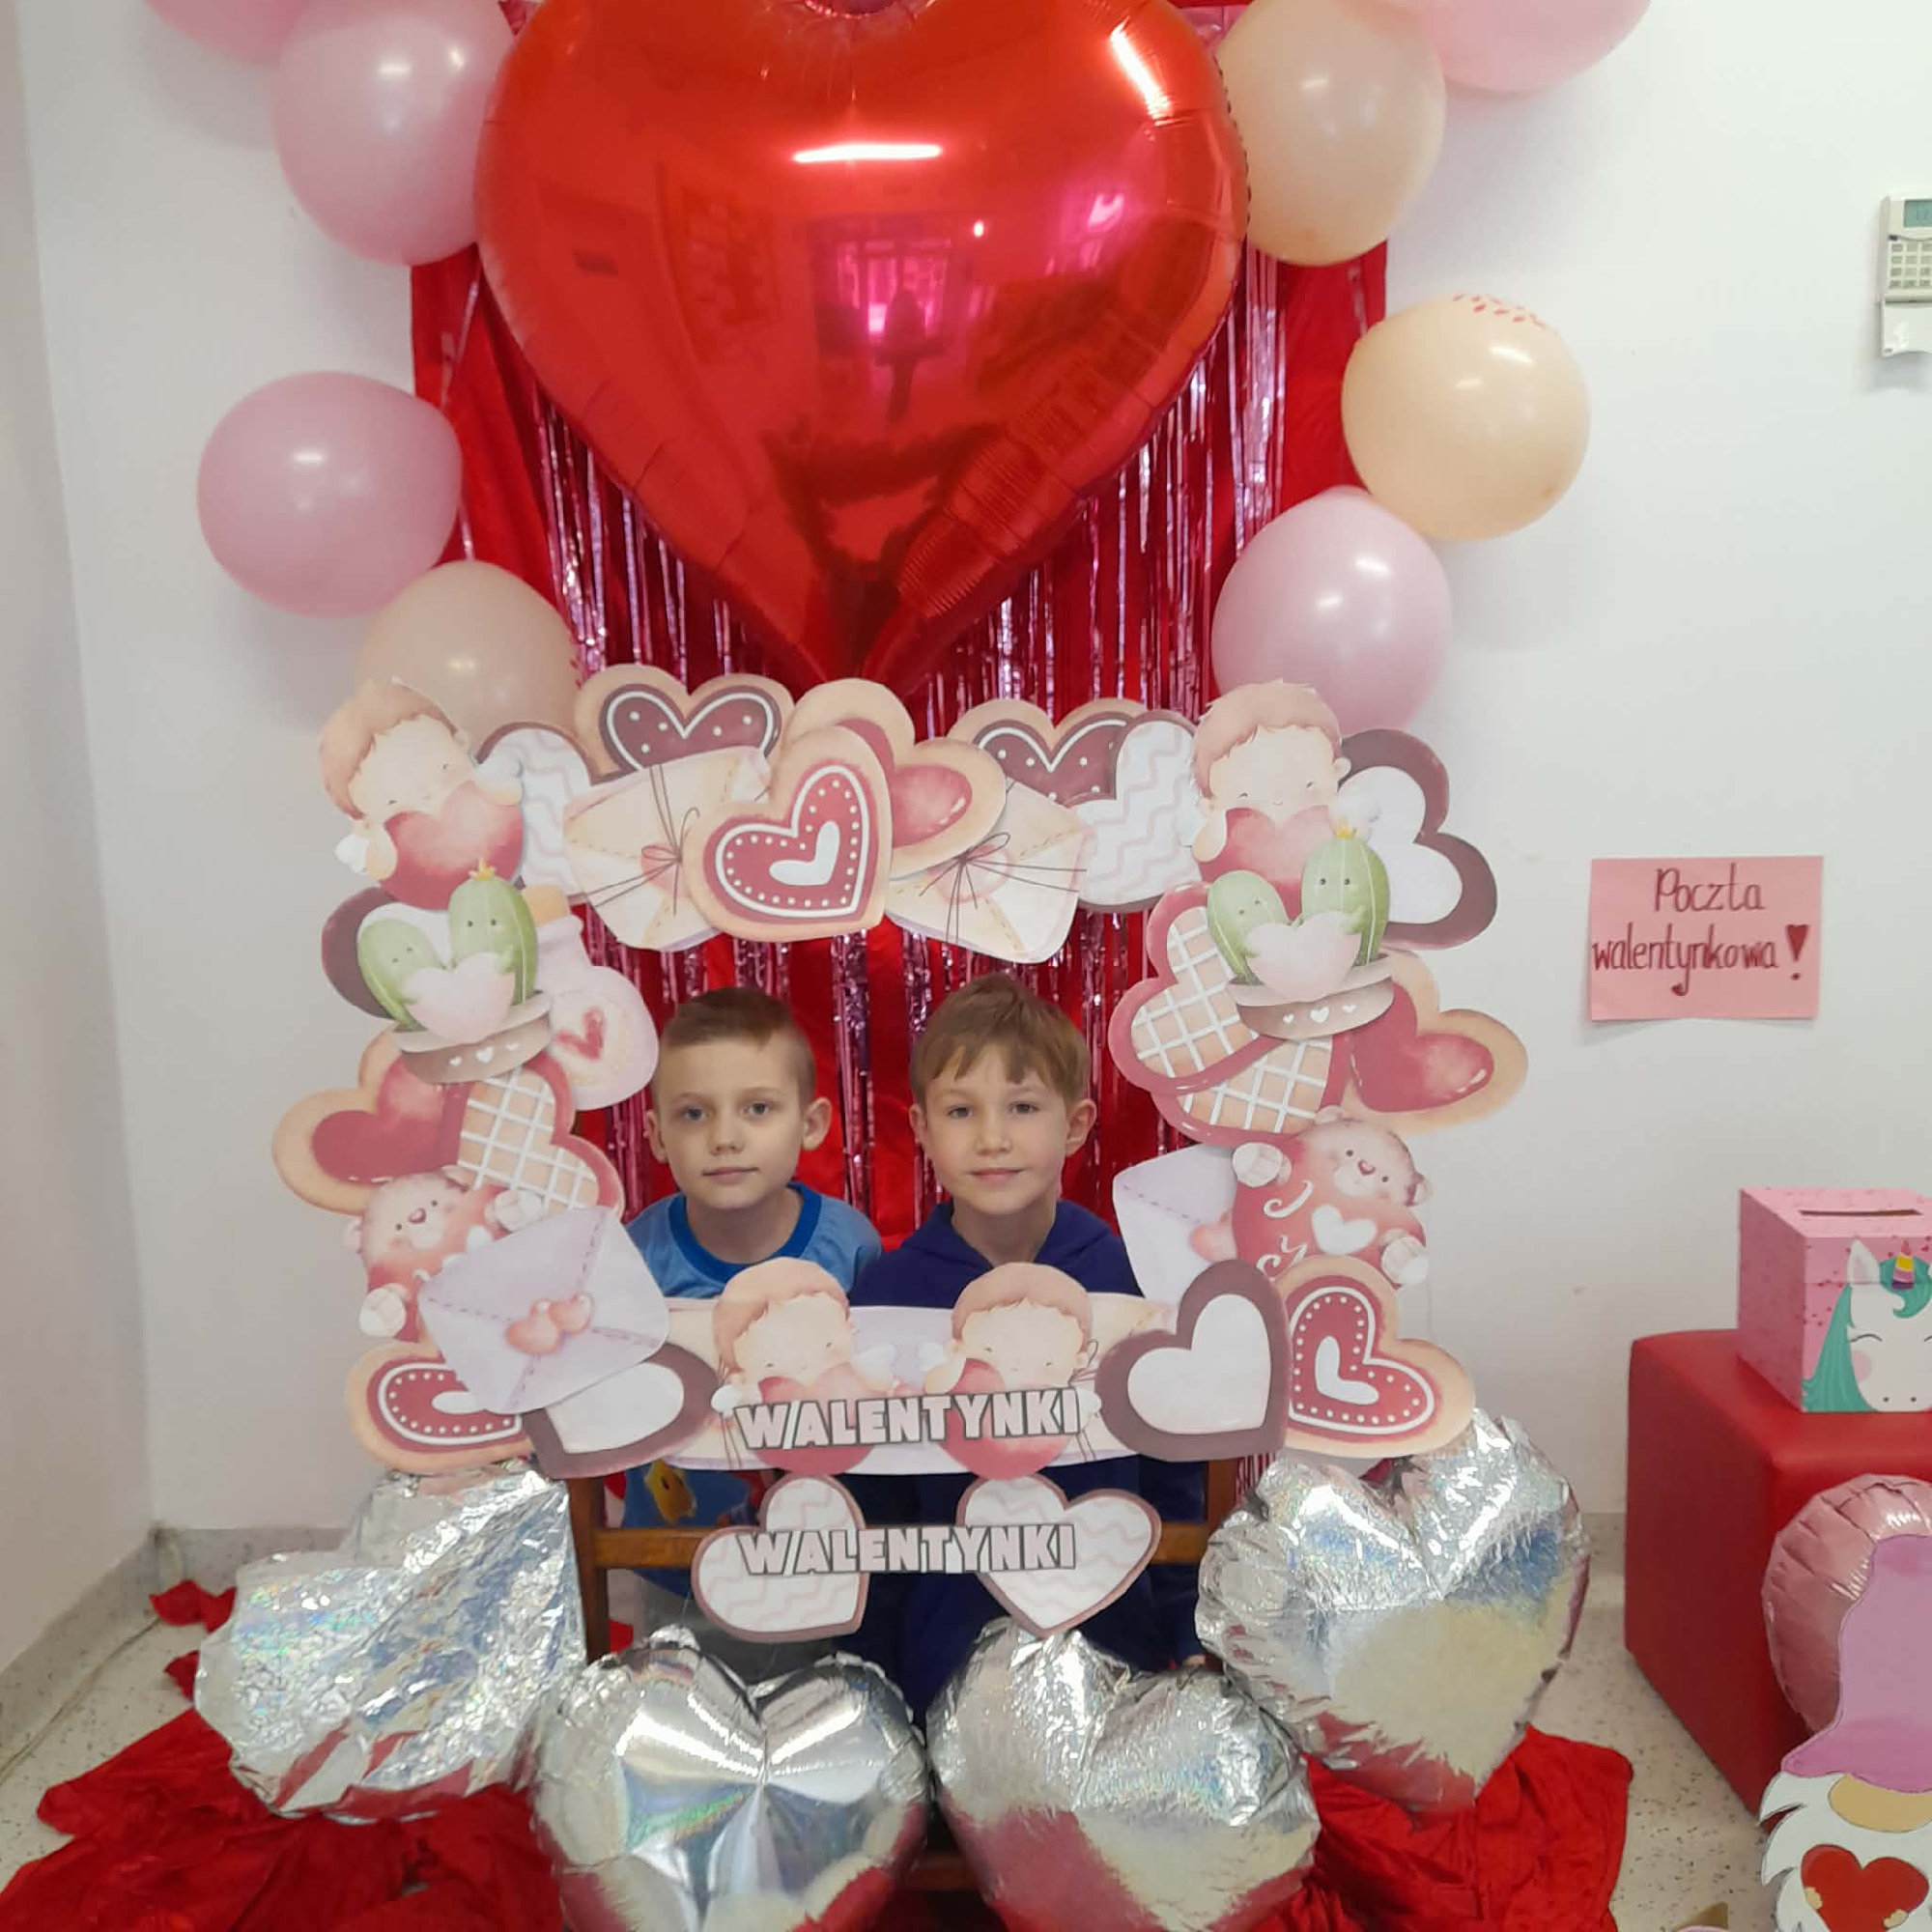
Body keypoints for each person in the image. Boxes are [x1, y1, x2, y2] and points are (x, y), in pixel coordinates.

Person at [846, 973, 1203, 1717]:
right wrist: (871, 1682)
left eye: (1022, 1106)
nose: (992, 1138)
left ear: (1075, 1124)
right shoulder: (885, 1299)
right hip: (942, 1670)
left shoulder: (1134, 1282)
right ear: (920, 1128)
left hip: (1118, 1654)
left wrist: (1189, 1634)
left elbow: (1175, 1480)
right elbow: (872, 1512)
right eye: (961, 1110)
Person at [620, 988, 881, 1605]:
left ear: (811, 1124)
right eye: (694, 1114)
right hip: (670, 1559)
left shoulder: (849, 1247)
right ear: (656, 1135)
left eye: (757, 1108)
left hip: (820, 1557)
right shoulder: (635, 1257)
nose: (725, 1138)